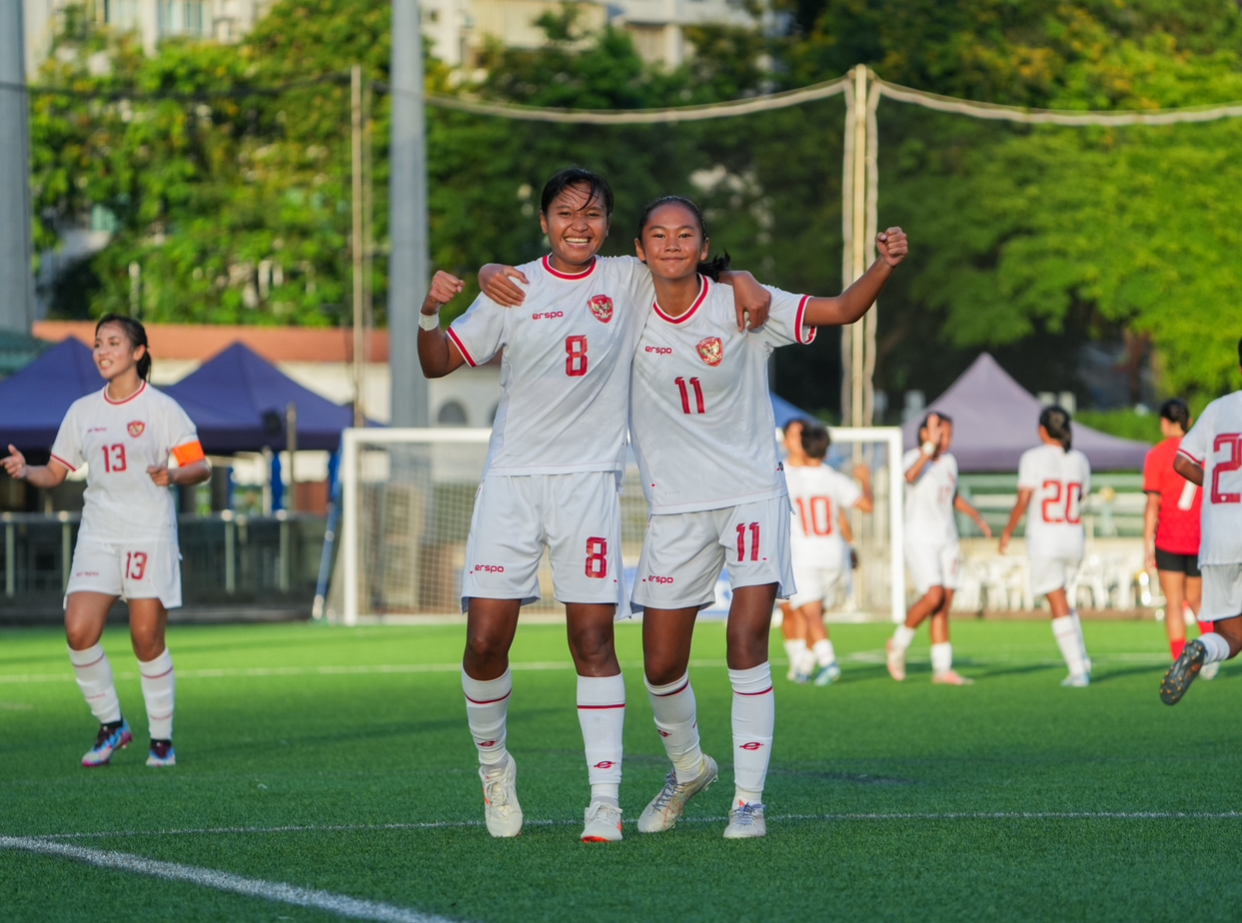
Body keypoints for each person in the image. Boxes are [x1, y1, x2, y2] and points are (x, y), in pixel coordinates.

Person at [417, 167, 771, 842]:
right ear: (544, 222)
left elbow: (685, 265)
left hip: (590, 484)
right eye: (565, 213)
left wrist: (743, 278)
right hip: (512, 482)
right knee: (485, 642)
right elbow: (437, 363)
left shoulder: (626, 278)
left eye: (593, 214)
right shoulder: (512, 286)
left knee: (592, 641)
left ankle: (603, 801)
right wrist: (430, 309)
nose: (579, 225)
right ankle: (494, 768)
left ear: (608, 226)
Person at [626, 194, 907, 839]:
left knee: (746, 639)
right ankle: (688, 770)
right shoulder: (623, 305)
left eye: (686, 234)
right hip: (675, 506)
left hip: (751, 492)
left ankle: (748, 801)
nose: (672, 245)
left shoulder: (742, 302)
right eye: (658, 236)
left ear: (703, 245)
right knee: (661, 665)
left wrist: (884, 265)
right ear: (639, 250)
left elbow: (842, 309)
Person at [2, 316, 210, 768]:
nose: (102, 351)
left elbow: (201, 466)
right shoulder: (83, 411)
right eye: (98, 344)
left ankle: (161, 741)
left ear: (138, 352)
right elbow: (55, 473)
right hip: (99, 533)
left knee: (146, 640)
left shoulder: (161, 408)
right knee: (78, 630)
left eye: (113, 342)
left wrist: (174, 474)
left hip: (148, 533)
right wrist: (27, 470)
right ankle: (112, 725)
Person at [1161, 339, 1242, 703]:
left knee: (1232, 636)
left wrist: (1216, 483)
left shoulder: (1216, 409)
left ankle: (1202, 649)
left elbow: (1182, 462)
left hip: (1218, 539)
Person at [887, 412, 991, 685]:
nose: (946, 439)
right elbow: (910, 476)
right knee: (933, 596)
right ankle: (898, 643)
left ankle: (942, 669)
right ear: (925, 433)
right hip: (920, 537)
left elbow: (951, 495)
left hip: (947, 538)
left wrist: (976, 515)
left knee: (944, 603)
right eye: (941, 433)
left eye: (949, 434)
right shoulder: (914, 457)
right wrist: (928, 448)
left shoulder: (949, 462)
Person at [998, 406, 1093, 687]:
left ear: (1042, 430)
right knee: (1063, 599)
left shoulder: (1032, 457)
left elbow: (1024, 499)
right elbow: (1080, 496)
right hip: (1074, 538)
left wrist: (1007, 531)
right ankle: (1082, 660)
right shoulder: (1080, 459)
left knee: (1057, 602)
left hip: (1046, 540)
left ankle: (1078, 670)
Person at [782, 421, 873, 685]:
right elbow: (866, 506)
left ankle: (829, 662)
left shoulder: (787, 477)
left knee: (810, 615)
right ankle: (804, 668)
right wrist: (865, 481)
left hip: (803, 556)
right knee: (817, 616)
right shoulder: (834, 478)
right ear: (827, 451)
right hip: (834, 555)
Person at [1143, 399, 1218, 677]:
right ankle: (1211, 655)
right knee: (1198, 601)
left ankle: (1180, 663)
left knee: (1174, 602)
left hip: (1169, 538)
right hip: (1200, 536)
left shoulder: (1157, 454)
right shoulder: (1205, 452)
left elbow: (1153, 504)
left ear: (1164, 422)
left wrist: (1146, 544)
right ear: (1189, 421)